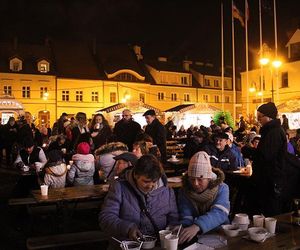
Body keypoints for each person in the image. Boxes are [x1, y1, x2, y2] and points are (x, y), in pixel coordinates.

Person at [98, 154, 179, 246]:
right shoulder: (119, 187)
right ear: (136, 175)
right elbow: (106, 217)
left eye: (154, 181)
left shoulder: (167, 191)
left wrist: (171, 229)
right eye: (146, 181)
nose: (150, 186)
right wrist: (127, 228)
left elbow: (174, 218)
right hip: (128, 244)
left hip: (158, 245)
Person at [178, 151, 230, 244]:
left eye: (200, 179)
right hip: (195, 236)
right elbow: (186, 214)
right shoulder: (184, 190)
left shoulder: (222, 188)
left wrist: (197, 226)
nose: (195, 183)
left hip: (220, 232)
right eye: (192, 179)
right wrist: (182, 227)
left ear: (209, 177)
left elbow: (220, 212)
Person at [251, 102, 290, 216]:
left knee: (271, 212)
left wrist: (249, 151)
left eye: (260, 117)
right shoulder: (271, 131)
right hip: (268, 178)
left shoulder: (274, 132)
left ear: (268, 117)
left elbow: (266, 156)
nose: (258, 120)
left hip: (270, 180)